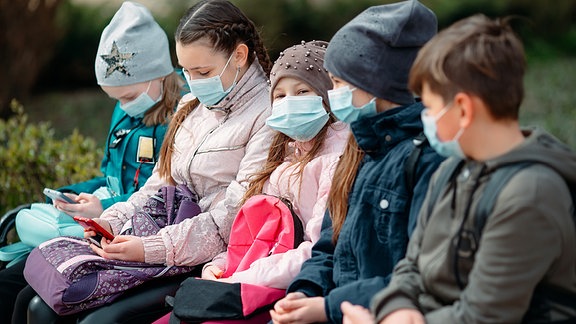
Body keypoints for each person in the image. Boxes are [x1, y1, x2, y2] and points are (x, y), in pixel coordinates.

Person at [21, 0, 275, 323]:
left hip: (203, 258)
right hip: (154, 240)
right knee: (38, 304)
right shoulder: (191, 105)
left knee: (97, 320)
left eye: (203, 72)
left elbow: (229, 222)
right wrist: (111, 222)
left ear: (239, 56)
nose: (194, 83)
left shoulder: (265, 117)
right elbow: (159, 183)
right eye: (186, 71)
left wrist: (147, 249)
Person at [366, 14, 576, 323]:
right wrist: (396, 309)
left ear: (463, 109)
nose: (426, 117)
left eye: (431, 106)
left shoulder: (530, 194)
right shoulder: (449, 170)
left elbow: (485, 315)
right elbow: (411, 266)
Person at [0, 1, 182, 322]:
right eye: (115, 100)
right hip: (99, 227)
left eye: (127, 97)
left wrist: (104, 208)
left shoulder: (179, 122)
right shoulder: (128, 109)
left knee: (31, 295)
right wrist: (70, 194)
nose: (123, 107)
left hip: (132, 241)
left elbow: (167, 196)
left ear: (159, 75)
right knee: (11, 280)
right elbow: (108, 175)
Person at [269, 1, 445, 323]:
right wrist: (304, 291)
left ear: (378, 84)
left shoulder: (428, 159)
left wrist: (327, 308)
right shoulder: (360, 148)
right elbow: (328, 245)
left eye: (338, 83)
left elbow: (422, 276)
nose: (333, 95)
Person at [153, 40, 349, 324]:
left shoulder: (334, 161)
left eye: (303, 91)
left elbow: (316, 249)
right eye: (280, 96)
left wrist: (243, 277)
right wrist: (219, 266)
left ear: (328, 96)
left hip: (286, 288)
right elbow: (252, 233)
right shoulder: (282, 156)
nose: (289, 102)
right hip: (248, 277)